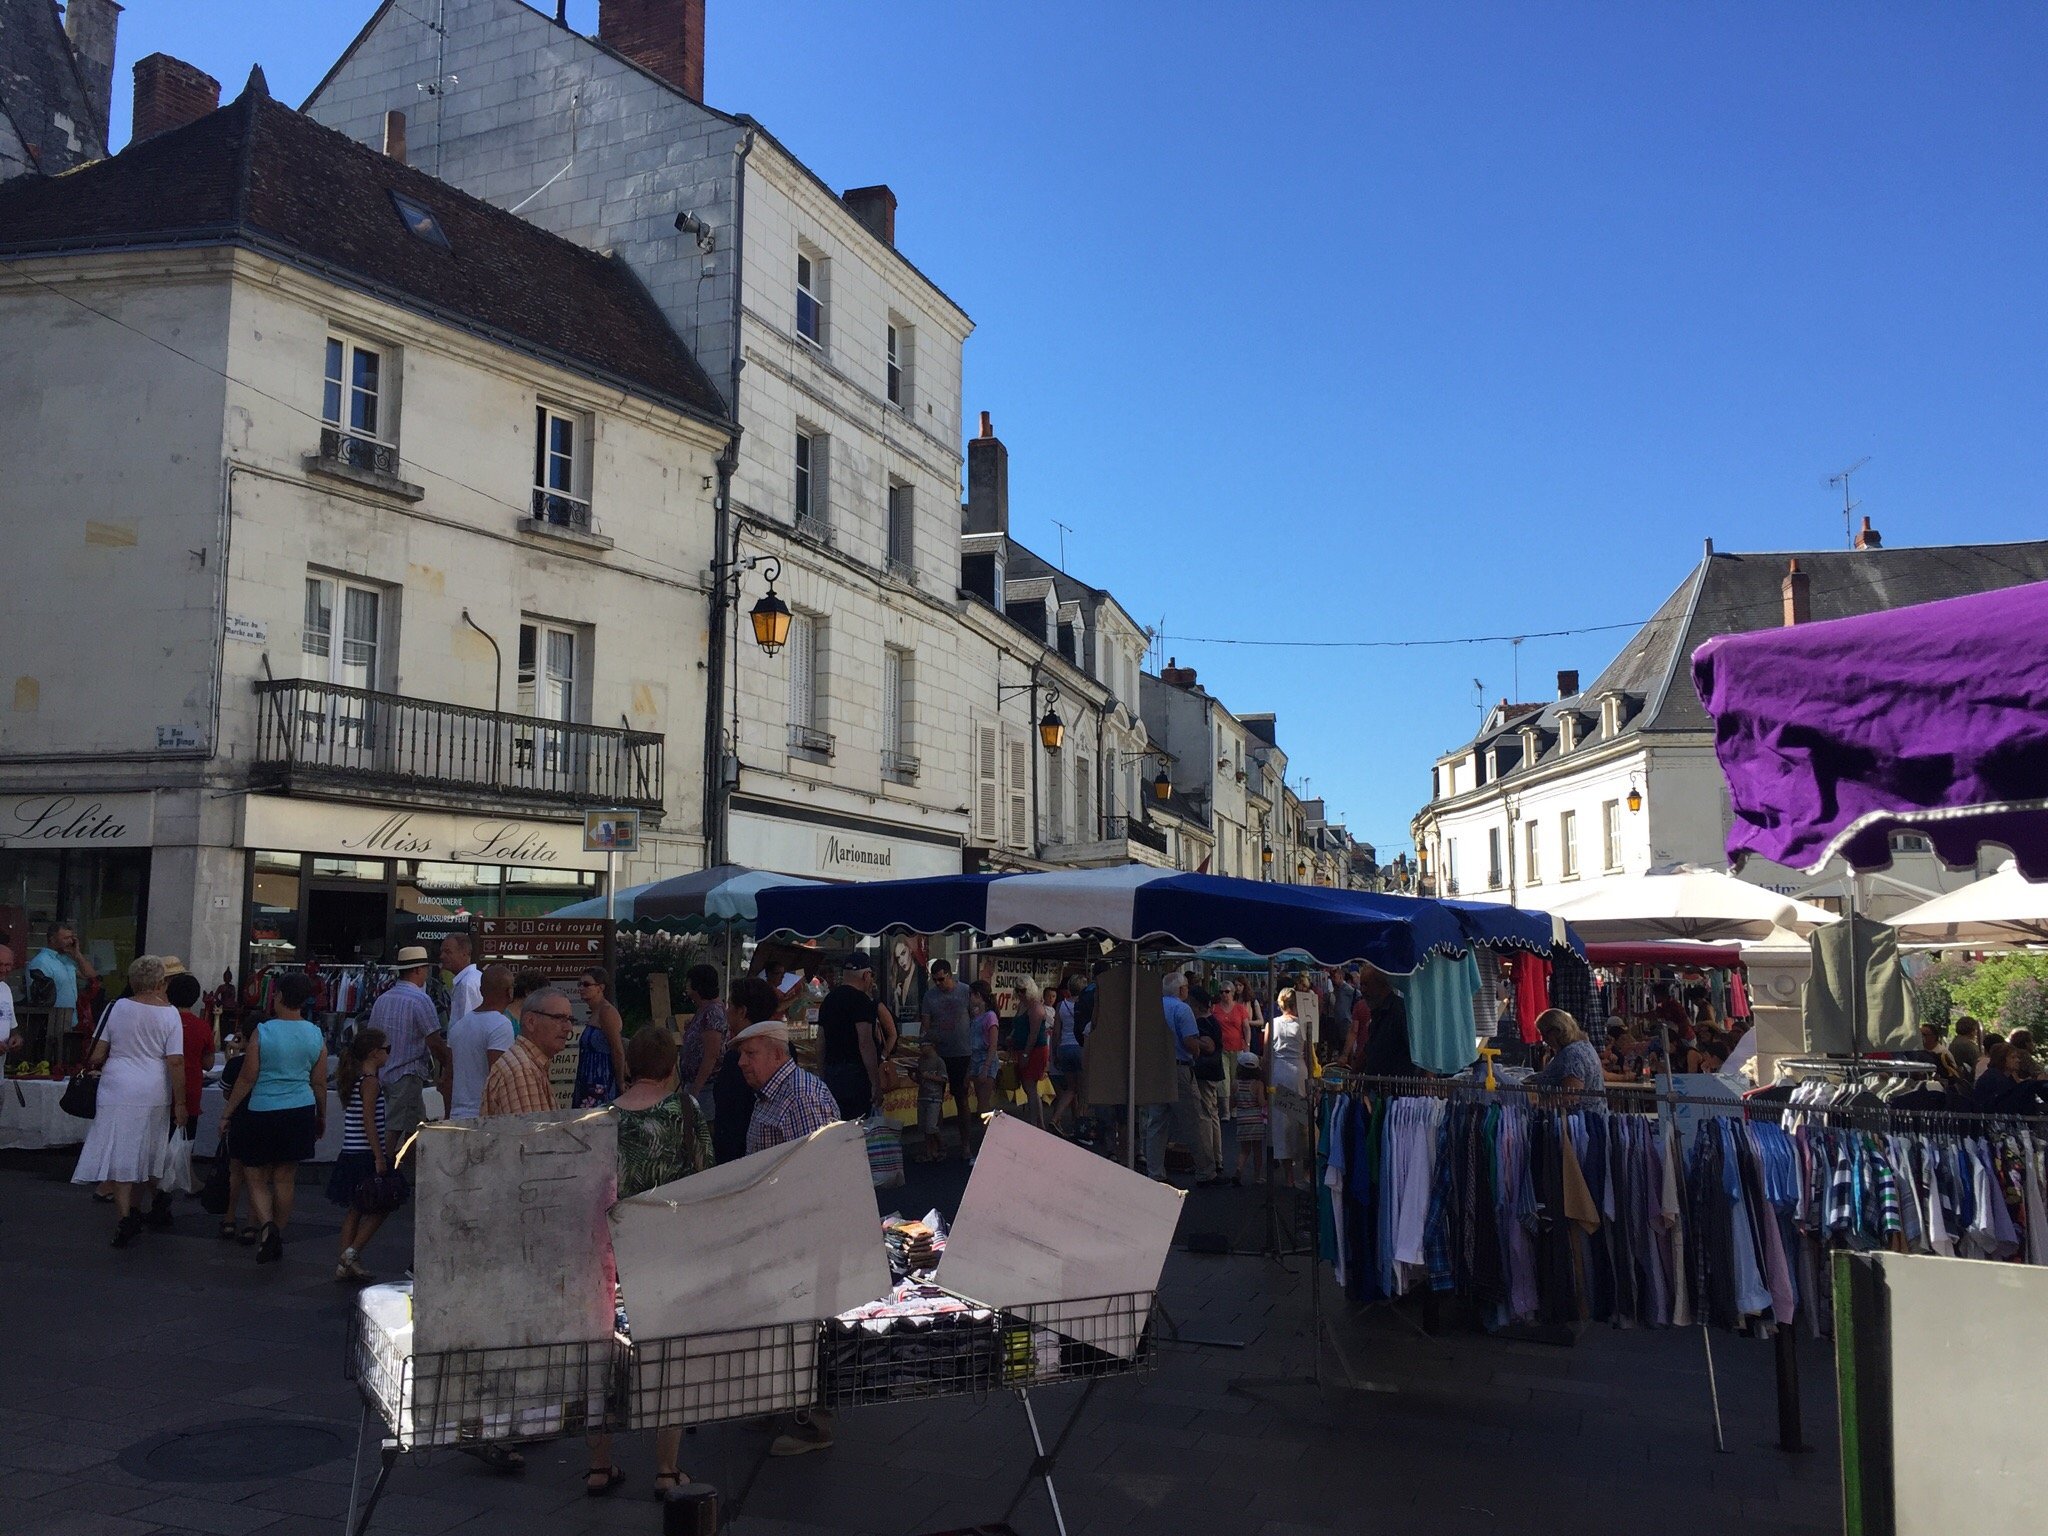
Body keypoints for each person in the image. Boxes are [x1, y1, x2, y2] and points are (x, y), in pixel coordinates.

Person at [584, 1024, 711, 1498]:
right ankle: (665, 1471)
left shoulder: (602, 1118)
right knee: (669, 1356)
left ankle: (599, 1466)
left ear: (632, 1064)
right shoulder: (684, 1110)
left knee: (603, 1356)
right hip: (668, 1250)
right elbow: (706, 1177)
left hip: (611, 1255)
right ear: (672, 1067)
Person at [731, 1014, 842, 1459]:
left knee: (804, 1325)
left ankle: (812, 1422)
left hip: (801, 1232)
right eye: (741, 1053)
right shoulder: (771, 1094)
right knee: (777, 1321)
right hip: (776, 1230)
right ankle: (776, 1401)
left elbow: (816, 1177)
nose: (741, 1062)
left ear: (778, 1055)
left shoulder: (801, 1096)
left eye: (750, 1053)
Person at [72, 955, 187, 1247]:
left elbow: (97, 1054)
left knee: (122, 1151)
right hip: (152, 1088)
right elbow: (175, 1062)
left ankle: (126, 1216)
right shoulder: (170, 1014)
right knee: (148, 1148)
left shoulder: (116, 1007)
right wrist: (181, 1102)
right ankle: (151, 1201)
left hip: (117, 1085)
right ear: (161, 981)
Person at [219, 971, 326, 1263]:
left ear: (277, 996)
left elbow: (247, 1077)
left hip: (263, 1109)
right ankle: (278, 1230)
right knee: (285, 1178)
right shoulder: (315, 1034)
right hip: (300, 1108)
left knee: (255, 1174)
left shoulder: (263, 1032)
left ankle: (266, 1225)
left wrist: (227, 1114)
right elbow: (319, 1081)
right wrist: (322, 1114)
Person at [326, 1027, 400, 1282]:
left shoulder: (356, 1079)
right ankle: (352, 1252)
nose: (389, 1053)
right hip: (366, 1153)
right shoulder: (370, 1082)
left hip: (351, 1151)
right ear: (374, 1053)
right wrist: (380, 1156)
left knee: (356, 1208)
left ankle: (346, 1260)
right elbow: (370, 1120)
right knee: (381, 1204)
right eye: (386, 1049)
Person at [368, 946, 448, 1170]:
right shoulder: (420, 1000)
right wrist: (449, 1065)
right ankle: (382, 1169)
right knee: (398, 1125)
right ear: (419, 970)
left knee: (412, 1124)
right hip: (408, 1071)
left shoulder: (382, 999)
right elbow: (434, 1041)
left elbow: (372, 1038)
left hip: (385, 1072)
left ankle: (405, 1168)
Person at [1145, 973, 1216, 1185]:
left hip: (1156, 1068)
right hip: (1179, 1068)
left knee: (1156, 1122)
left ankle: (1155, 1171)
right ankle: (1206, 1170)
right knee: (1195, 1120)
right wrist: (1197, 1051)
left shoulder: (1152, 1007)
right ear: (1182, 990)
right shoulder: (1182, 1009)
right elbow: (1188, 1041)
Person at [710, 978, 779, 1164]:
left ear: (742, 1012)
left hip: (741, 1156)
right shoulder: (781, 1048)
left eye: (730, 1005)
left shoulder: (739, 1058)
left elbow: (730, 1113)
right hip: (772, 1156)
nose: (726, 1011)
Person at [484, 988, 577, 1115]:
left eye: (570, 1019)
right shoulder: (522, 1071)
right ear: (530, 1022)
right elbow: (534, 1133)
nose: (569, 1028)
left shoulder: (528, 1065)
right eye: (559, 1018)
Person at [919, 960, 975, 1160]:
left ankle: (966, 1145)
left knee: (961, 1098)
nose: (938, 984)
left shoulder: (965, 992)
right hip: (938, 1054)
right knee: (935, 1101)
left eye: (941, 979)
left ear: (950, 975)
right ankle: (937, 1147)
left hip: (961, 1053)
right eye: (934, 980)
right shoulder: (929, 996)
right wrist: (924, 1048)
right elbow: (925, 1026)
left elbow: (976, 1020)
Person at [816, 954, 883, 1121]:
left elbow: (820, 1041)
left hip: (832, 1073)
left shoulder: (829, 1000)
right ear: (866, 975)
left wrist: (822, 1074)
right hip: (855, 1075)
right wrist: (875, 1083)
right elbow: (865, 1042)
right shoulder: (861, 1001)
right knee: (857, 1129)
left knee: (836, 1126)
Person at [448, 964, 516, 1119]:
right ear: (509, 992)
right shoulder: (501, 1024)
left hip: (457, 1114)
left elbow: (449, 1076)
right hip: (484, 1116)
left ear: (481, 991)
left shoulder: (459, 1026)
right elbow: (498, 1076)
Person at [1264, 987, 1309, 1187]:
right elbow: (1309, 1053)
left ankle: (1288, 1176)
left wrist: (1265, 1082)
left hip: (1279, 1072)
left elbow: (1266, 1056)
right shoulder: (1304, 1025)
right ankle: (1306, 1172)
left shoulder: (1271, 1025)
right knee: (1302, 1121)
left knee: (1281, 1123)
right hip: (1298, 1072)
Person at [1189, 983, 1227, 1185]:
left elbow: (1209, 1046)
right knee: (1212, 1114)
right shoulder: (1213, 1021)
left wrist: (1193, 1041)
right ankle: (1216, 1158)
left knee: (1205, 1115)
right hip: (1214, 1071)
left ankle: (1209, 1160)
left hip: (1204, 1071)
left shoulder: (1201, 1023)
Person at [572, 967, 627, 1108]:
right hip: (587, 1077)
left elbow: (617, 1049)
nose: (581, 988)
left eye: (586, 984)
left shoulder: (606, 1012)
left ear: (600, 988)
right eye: (580, 984)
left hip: (601, 1078)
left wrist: (620, 1081)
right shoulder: (595, 1012)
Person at [28, 920, 96, 1031]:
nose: (70, 942)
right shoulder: (42, 962)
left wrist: (77, 954)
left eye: (71, 938)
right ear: (52, 939)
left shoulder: (67, 960)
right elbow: (38, 998)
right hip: (51, 1023)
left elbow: (90, 976)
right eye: (65, 938)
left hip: (70, 1020)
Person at [1529, 1009, 1607, 1101]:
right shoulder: (1584, 1045)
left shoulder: (1572, 1055)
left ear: (1557, 1031)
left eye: (1544, 1034)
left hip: (1577, 1114)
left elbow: (1571, 1097)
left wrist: (1537, 1105)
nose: (1543, 1039)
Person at [679, 963, 726, 1115]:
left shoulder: (712, 1013)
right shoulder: (704, 1010)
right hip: (696, 1084)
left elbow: (711, 1054)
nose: (686, 986)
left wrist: (695, 1090)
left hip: (705, 1088)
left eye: (689, 982)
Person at [1358, 964, 1418, 1076]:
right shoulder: (1377, 1013)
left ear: (1382, 985)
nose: (1362, 990)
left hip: (1399, 1087)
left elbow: (1416, 1050)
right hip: (1378, 1087)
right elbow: (1369, 1049)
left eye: (1366, 985)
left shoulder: (1400, 1012)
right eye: (1361, 985)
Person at [965, 980, 1002, 1157]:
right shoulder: (977, 1016)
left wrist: (986, 1067)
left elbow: (993, 1045)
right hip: (975, 1059)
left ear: (978, 996)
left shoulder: (990, 1017)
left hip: (985, 1060)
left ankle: (988, 1138)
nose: (969, 998)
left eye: (971, 994)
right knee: (981, 1102)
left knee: (983, 1104)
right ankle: (987, 1137)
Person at [1048, 973, 1088, 1137]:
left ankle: (1056, 1117)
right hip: (1080, 1047)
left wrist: (1056, 1052)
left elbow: (1056, 1032)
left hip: (1064, 1048)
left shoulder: (1061, 1006)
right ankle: (1080, 1125)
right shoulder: (1085, 1005)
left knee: (1071, 1088)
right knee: (1083, 1090)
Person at [1013, 978, 1051, 1130]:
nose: (1020, 994)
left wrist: (1025, 1055)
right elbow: (1018, 1025)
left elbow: (1033, 1035)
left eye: (1022, 991)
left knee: (1030, 1087)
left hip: (1034, 1051)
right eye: (1018, 990)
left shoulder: (1036, 1008)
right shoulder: (1023, 1005)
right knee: (1030, 1088)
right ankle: (1039, 1124)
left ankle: (1033, 1123)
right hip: (1023, 1048)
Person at [914, 1039, 948, 1163]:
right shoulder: (921, 1061)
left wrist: (928, 1076)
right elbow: (920, 1079)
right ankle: (929, 1152)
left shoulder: (939, 1061)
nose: (921, 1048)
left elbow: (943, 1079)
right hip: (923, 1095)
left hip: (934, 1097)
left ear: (932, 1045)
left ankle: (942, 1144)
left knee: (931, 1126)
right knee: (924, 1127)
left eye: (923, 1045)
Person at [442, 932, 481, 1028]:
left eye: (448, 952)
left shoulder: (466, 984)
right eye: (442, 952)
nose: (442, 956)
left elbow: (466, 1026)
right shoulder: (472, 978)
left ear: (464, 954)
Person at [1973, 1041, 2017, 1112]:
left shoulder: (2005, 1076)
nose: (2018, 1060)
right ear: (2002, 1060)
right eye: (2013, 1057)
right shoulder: (1994, 1079)